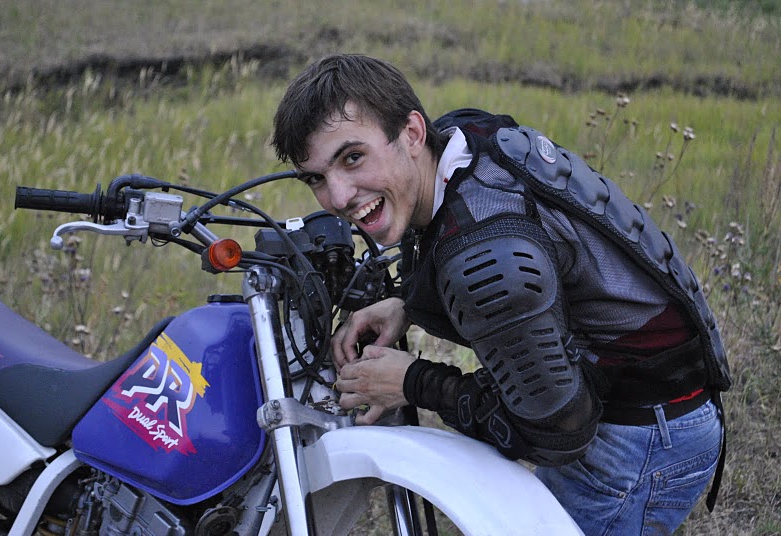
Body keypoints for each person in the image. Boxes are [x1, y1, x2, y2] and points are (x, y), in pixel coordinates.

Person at [271, 53, 729, 535]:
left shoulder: (485, 250)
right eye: (316, 178)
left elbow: (556, 431)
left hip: (638, 441)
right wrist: (408, 305)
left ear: (412, 133)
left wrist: (411, 382)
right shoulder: (466, 144)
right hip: (638, 400)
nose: (339, 196)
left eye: (352, 157)